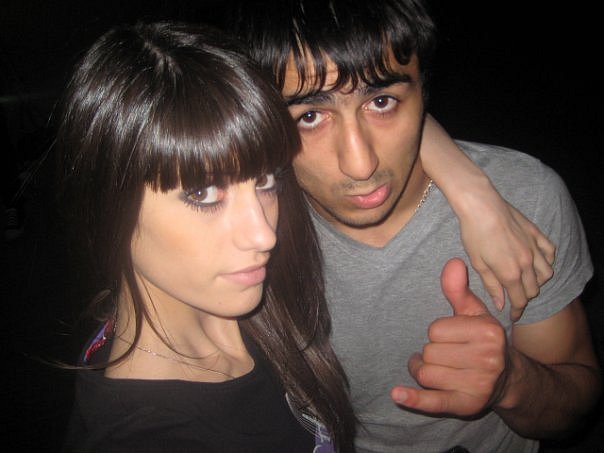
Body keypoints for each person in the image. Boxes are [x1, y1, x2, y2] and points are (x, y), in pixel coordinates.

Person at [227, 0, 602, 451]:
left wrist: (511, 382)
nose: (360, 164)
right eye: (310, 116)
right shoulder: (242, 235)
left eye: (381, 102)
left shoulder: (525, 198)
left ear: (424, 92)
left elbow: (574, 406)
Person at [56, 21, 357, 452]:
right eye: (203, 193)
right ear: (109, 203)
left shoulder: (224, 294)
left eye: (266, 180)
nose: (264, 234)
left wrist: (460, 177)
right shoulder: (147, 437)